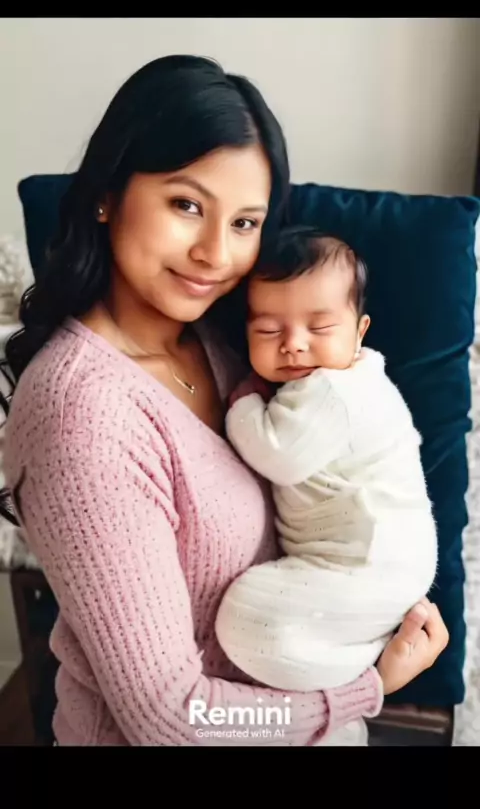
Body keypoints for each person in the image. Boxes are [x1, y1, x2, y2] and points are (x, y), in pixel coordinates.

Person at [0, 55, 448, 747]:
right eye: (187, 205)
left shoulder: (222, 340)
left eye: (245, 223)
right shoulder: (82, 418)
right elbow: (171, 718)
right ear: (107, 194)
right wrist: (368, 688)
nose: (215, 253)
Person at [214, 227, 438, 743]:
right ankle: (347, 680)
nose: (294, 344)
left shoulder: (334, 391)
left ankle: (361, 669)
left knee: (246, 618)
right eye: (269, 330)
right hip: (377, 563)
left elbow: (276, 453)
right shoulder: (344, 381)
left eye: (319, 326)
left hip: (367, 563)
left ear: (360, 332)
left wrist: (243, 403)